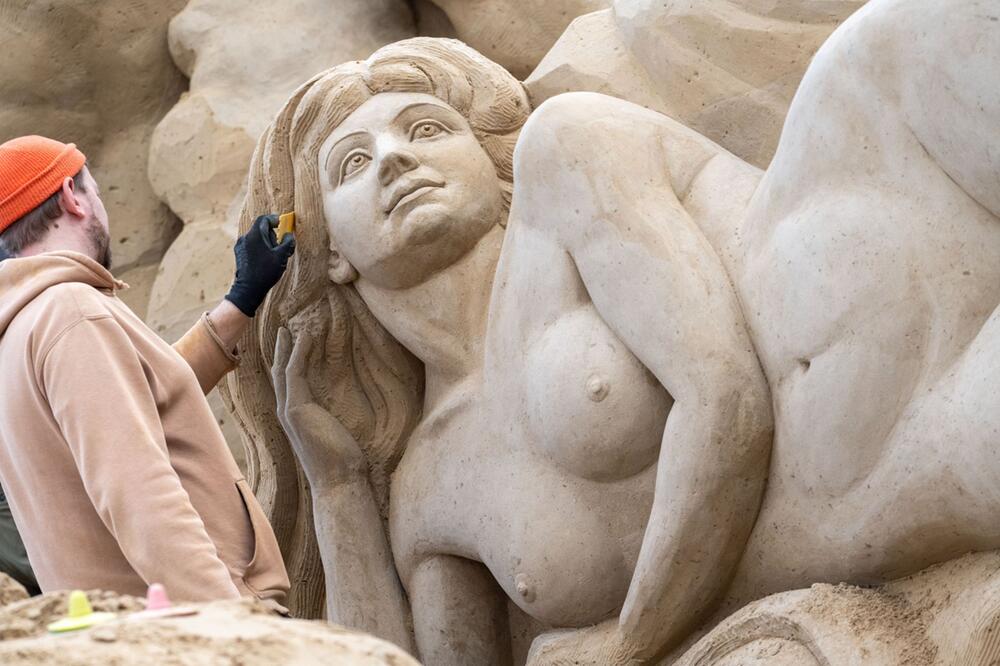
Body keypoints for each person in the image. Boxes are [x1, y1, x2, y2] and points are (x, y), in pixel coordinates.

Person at [0, 135, 293, 605]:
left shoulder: (23, 325)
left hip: (128, 630)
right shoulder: (71, 311)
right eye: (95, 191)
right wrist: (233, 622)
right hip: (192, 629)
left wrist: (242, 299)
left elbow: (136, 408)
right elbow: (139, 494)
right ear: (70, 197)